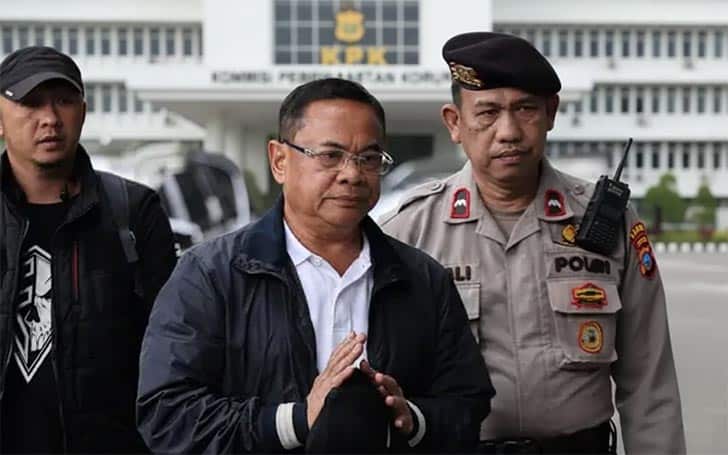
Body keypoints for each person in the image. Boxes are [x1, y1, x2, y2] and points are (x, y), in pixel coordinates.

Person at [137, 77, 494, 453]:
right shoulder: (211, 275)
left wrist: (412, 419)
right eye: (330, 155)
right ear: (279, 161)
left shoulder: (421, 278)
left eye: (369, 158)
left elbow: (467, 404)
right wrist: (294, 420)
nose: (352, 174)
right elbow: (168, 415)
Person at [380, 32, 686, 454]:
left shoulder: (608, 222)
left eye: (525, 109)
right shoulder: (408, 232)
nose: (508, 132)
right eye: (487, 112)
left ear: (550, 113)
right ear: (454, 123)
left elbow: (650, 384)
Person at [0, 46, 177, 453]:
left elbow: (173, 351)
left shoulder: (133, 212)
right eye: (31, 103)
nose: (50, 118)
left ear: (83, 111)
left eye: (63, 101)